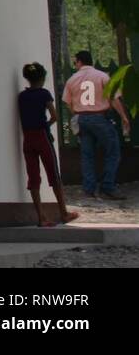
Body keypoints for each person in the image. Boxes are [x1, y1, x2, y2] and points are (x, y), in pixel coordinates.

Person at [63, 50, 130, 200]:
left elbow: (68, 102)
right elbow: (113, 98)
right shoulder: (102, 76)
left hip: (82, 119)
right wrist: (123, 117)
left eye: (75, 62)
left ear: (79, 62)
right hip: (100, 117)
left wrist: (77, 113)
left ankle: (89, 188)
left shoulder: (72, 79)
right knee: (113, 151)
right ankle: (107, 186)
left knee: (87, 155)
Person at [18, 63, 79, 227]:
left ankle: (41, 217)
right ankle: (64, 213)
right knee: (54, 174)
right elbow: (55, 116)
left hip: (27, 138)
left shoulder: (22, 96)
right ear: (43, 78)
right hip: (42, 136)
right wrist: (47, 125)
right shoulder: (44, 94)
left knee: (33, 177)